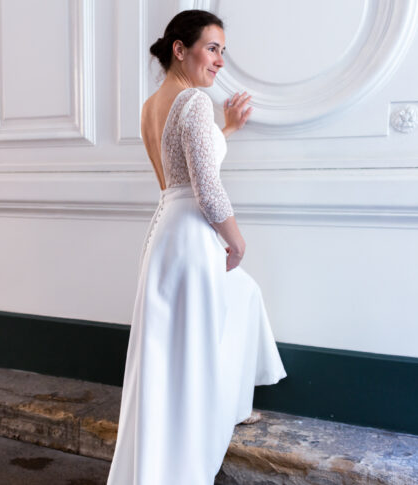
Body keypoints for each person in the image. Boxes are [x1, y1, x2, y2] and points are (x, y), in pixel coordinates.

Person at [106, 9, 287, 485]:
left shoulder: (152, 106)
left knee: (176, 345)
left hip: (166, 231)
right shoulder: (192, 103)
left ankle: (202, 427)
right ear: (179, 49)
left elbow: (179, 173)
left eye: (223, 51)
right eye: (212, 49)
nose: (220, 61)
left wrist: (227, 130)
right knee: (194, 345)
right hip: (191, 236)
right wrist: (236, 241)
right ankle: (193, 450)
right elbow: (206, 188)